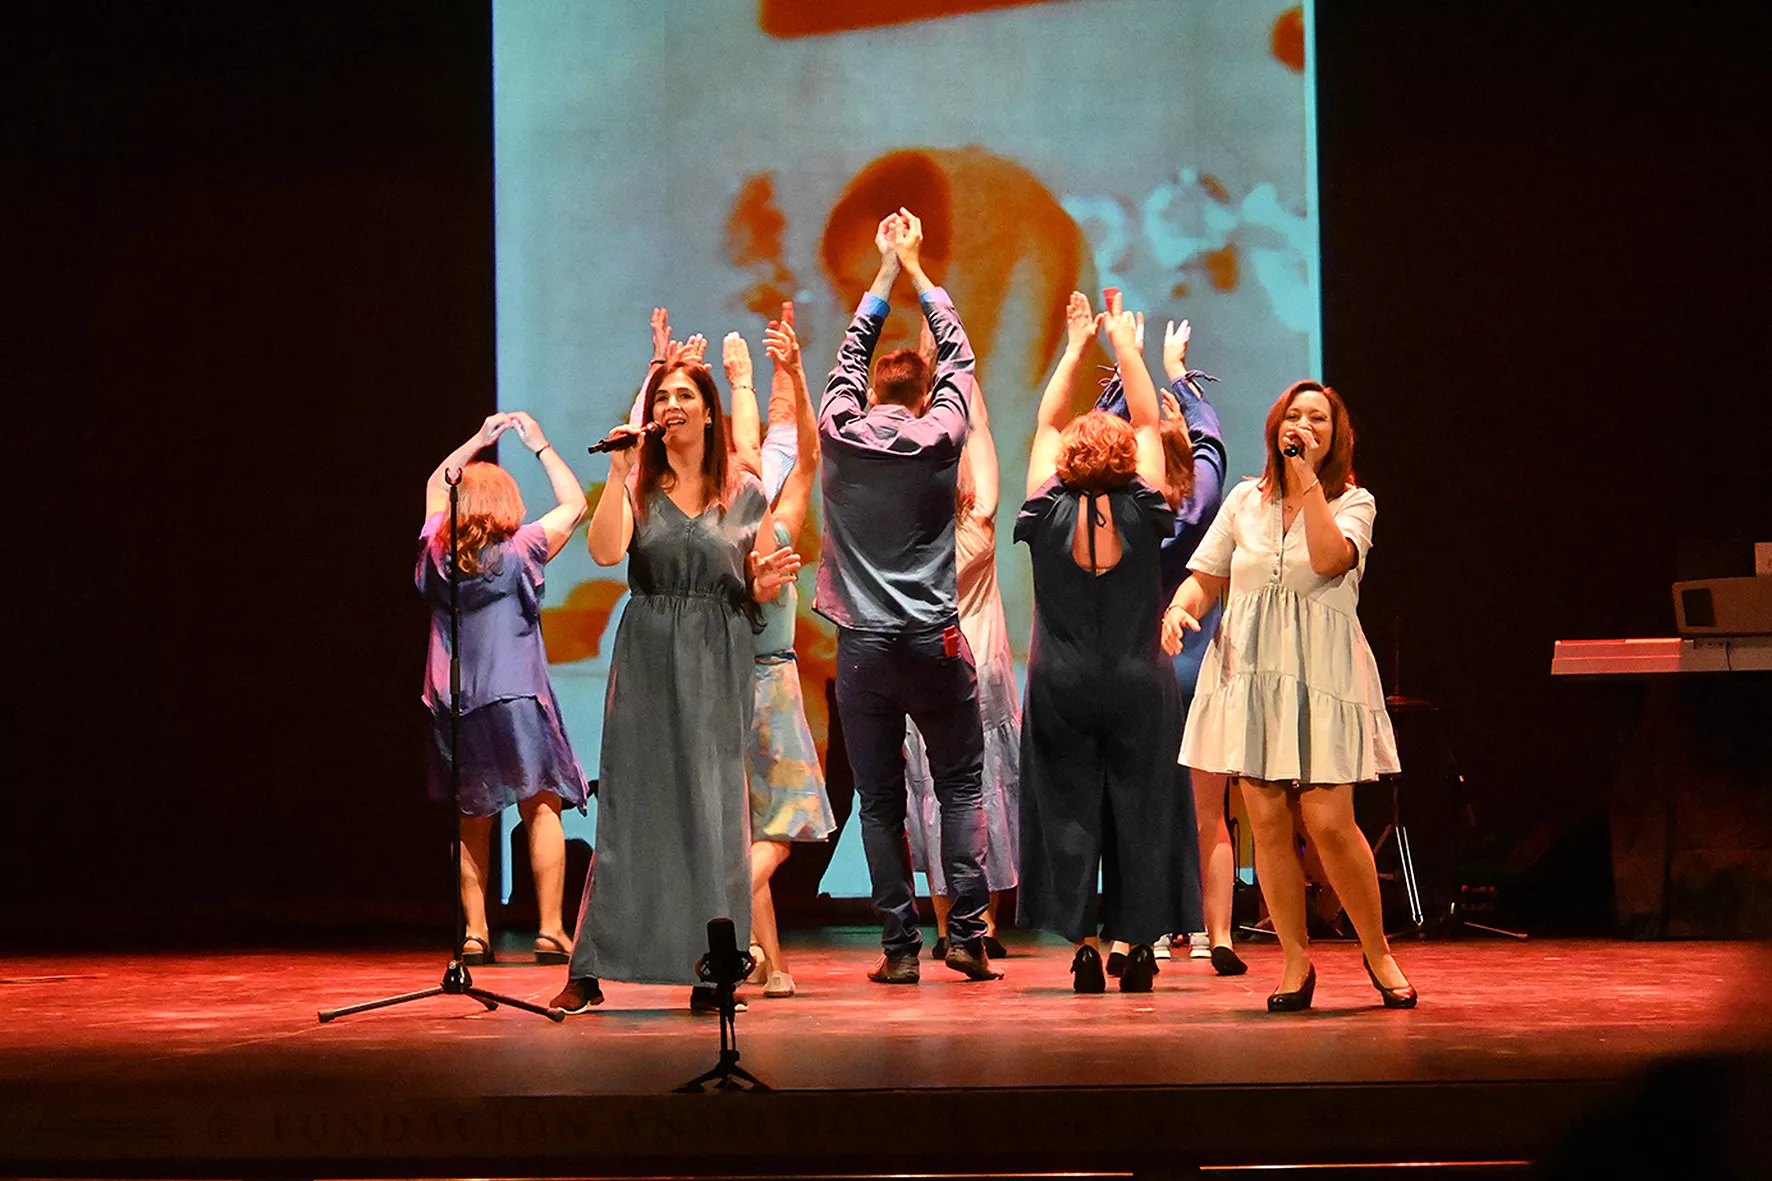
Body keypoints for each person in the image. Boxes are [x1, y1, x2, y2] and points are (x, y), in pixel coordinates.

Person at [551, 353, 801, 1015]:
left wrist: (764, 584)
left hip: (718, 656)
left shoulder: (744, 491)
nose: (673, 405)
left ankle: (713, 967)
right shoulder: (638, 485)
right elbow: (605, 553)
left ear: (710, 410)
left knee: (715, 811)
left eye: (686, 394)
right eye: (664, 395)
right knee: (632, 806)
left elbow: (757, 581)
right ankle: (591, 965)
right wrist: (616, 469)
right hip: (648, 652)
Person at [1164, 381, 1417, 1011]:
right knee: (1268, 824)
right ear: (1277, 425)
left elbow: (1331, 560)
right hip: (1250, 674)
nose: (1305, 426)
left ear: (1335, 436)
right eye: (1295, 416)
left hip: (1322, 676)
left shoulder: (1355, 502)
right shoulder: (1244, 501)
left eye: (1318, 419)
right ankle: (1296, 965)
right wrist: (1179, 608)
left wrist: (1306, 484)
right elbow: (1208, 577)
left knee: (1331, 823)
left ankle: (1377, 951)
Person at [817, 208, 1000, 985]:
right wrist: (920, 268)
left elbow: (848, 352)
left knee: (880, 800)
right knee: (960, 783)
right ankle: (966, 934)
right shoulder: (943, 432)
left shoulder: (835, 427)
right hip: (934, 636)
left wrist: (885, 271)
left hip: (862, 646)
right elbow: (958, 352)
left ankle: (898, 949)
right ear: (925, 394)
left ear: (864, 394)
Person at [1015, 293, 1200, 993]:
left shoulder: (1043, 504)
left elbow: (1046, 420)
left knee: (1069, 809)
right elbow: (1151, 418)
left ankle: (1087, 942)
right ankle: (1138, 941)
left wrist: (1073, 347)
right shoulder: (1143, 503)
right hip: (1136, 679)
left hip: (1061, 682)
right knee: (1143, 807)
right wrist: (1127, 344)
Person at [416, 412, 591, 967]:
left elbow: (432, 484)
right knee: (540, 805)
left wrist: (476, 441)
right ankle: (550, 929)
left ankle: (475, 932)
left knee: (473, 816)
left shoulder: (435, 555)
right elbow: (576, 505)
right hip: (515, 695)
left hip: (455, 700)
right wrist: (538, 446)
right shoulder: (523, 548)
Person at [1093, 318, 1239, 975]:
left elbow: (1094, 441)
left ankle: (1146, 929)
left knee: (1141, 804)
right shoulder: (1200, 501)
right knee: (1210, 810)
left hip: (1137, 665)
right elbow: (1209, 445)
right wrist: (1179, 374)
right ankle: (1215, 934)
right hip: (1199, 664)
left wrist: (1131, 377)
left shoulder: (1127, 502)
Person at [903, 330, 1019, 961]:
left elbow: (970, 434)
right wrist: (952, 369)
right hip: (965, 663)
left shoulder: (930, 538)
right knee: (975, 786)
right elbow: (976, 435)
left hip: (947, 661)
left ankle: (954, 924)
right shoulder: (975, 521)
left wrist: (942, 371)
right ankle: (977, 924)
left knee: (944, 787)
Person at [741, 307, 836, 998]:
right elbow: (803, 451)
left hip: (727, 680)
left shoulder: (725, 519)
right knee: (790, 815)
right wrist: (792, 372)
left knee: (750, 823)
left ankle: (769, 961)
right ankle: (723, 898)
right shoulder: (769, 521)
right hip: (766, 683)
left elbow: (782, 438)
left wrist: (772, 373)